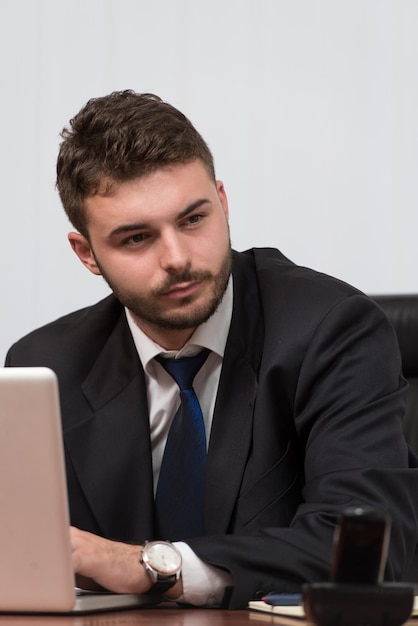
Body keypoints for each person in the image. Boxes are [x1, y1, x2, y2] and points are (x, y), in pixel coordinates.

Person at [5, 90, 418, 609]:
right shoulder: (47, 364)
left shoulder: (332, 330)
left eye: (193, 219)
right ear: (87, 253)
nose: (177, 258)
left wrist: (150, 567)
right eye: (136, 238)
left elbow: (367, 552)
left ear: (222, 202)